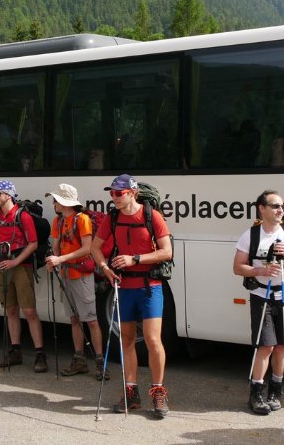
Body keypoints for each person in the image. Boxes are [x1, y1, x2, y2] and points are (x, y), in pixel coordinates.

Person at [90, 173, 174, 418]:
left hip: (150, 286)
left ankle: (158, 391)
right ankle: (131, 391)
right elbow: (95, 248)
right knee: (126, 340)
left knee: (152, 340)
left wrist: (134, 259)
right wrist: (106, 269)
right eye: (112, 193)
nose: (114, 197)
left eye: (119, 193)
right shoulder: (112, 217)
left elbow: (166, 252)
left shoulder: (152, 216)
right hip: (124, 286)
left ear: (133, 193)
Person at [232, 190, 284, 415]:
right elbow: (238, 267)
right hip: (262, 296)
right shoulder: (251, 235)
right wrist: (260, 270)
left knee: (281, 347)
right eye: (275, 206)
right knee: (265, 346)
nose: (281, 210)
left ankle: (275, 390)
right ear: (262, 208)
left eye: (282, 207)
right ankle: (256, 393)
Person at [0, 180, 48, 372]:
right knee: (10, 310)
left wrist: (15, 262)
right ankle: (15, 351)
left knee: (29, 311)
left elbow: (33, 244)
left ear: (9, 195)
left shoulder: (22, 216)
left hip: (21, 267)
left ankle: (40, 355)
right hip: (2, 268)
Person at [43, 183, 106, 379]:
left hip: (81, 275)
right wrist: (52, 260)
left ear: (64, 201)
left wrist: (60, 260)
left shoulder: (83, 219)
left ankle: (100, 363)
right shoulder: (58, 221)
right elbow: (56, 246)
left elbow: (88, 248)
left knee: (92, 320)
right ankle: (79, 361)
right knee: (74, 319)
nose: (53, 203)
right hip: (66, 275)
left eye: (56, 199)